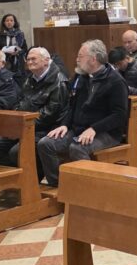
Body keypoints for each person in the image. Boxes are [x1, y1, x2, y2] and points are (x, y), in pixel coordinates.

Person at [37, 40, 129, 187]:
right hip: (78, 129)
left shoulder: (115, 81)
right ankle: (59, 185)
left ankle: (88, 189)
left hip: (106, 133)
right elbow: (72, 106)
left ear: (93, 59)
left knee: (77, 148)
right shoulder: (81, 77)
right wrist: (65, 125)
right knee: (45, 144)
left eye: (80, 56)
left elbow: (119, 115)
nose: (77, 59)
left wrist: (94, 129)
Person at [0, 48, 69, 171]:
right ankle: (21, 175)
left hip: (46, 129)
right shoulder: (30, 79)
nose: (29, 62)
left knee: (16, 152)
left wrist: (22, 126)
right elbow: (19, 102)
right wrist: (16, 123)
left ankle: (32, 176)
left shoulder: (59, 82)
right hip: (25, 125)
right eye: (28, 59)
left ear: (46, 60)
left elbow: (50, 114)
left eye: (33, 59)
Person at [0, 13, 28, 83]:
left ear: (14, 22)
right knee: (6, 82)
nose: (9, 22)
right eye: (7, 21)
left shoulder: (20, 34)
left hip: (18, 63)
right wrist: (5, 51)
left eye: (11, 20)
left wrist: (18, 52)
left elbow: (25, 49)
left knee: (19, 83)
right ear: (4, 22)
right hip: (5, 62)